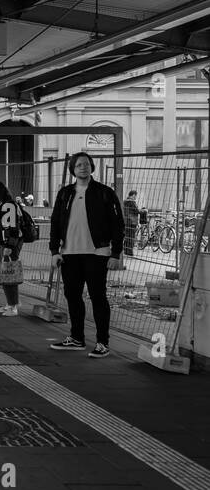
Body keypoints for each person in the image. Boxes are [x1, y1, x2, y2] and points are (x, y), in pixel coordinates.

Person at [48, 151, 125, 357]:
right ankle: (76, 338)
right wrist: (54, 250)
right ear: (72, 169)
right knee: (72, 296)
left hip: (97, 253)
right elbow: (55, 222)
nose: (83, 167)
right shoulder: (65, 193)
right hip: (69, 254)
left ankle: (102, 343)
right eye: (79, 165)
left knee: (98, 297)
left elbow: (118, 224)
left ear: (92, 167)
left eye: (86, 164)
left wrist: (115, 253)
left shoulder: (104, 192)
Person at [0, 180, 24, 316]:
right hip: (4, 242)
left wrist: (9, 246)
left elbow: (13, 227)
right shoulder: (5, 204)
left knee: (9, 273)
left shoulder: (8, 205)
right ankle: (10, 304)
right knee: (5, 273)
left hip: (8, 244)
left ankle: (13, 307)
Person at [122, 189, 140, 256]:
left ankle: (126, 250)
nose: (135, 197)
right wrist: (143, 210)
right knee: (131, 237)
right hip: (132, 222)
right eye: (135, 196)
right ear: (133, 195)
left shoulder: (125, 201)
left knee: (127, 236)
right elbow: (136, 211)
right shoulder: (131, 202)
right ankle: (130, 252)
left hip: (126, 221)